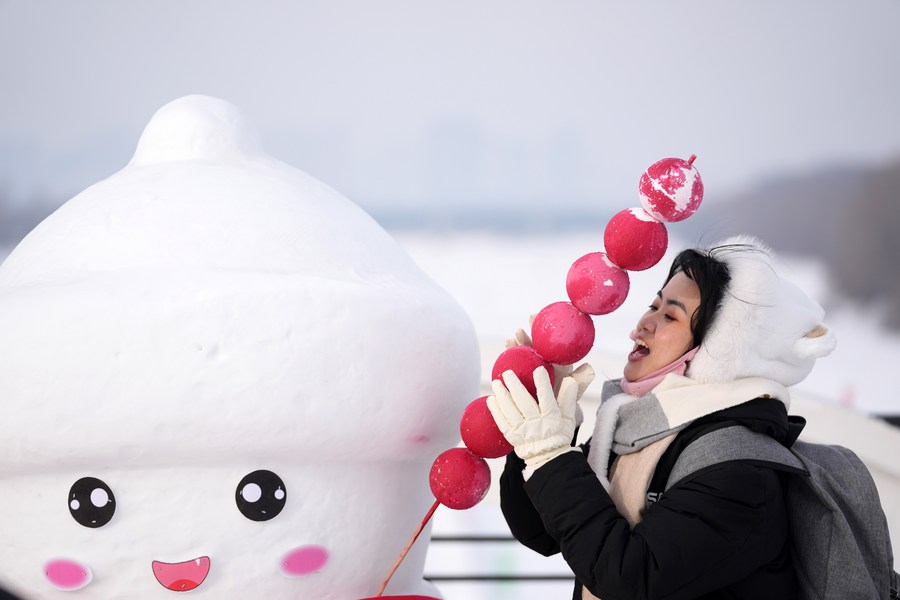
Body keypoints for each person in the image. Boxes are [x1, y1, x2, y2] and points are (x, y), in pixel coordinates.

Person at [488, 235, 837, 600]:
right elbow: (540, 532)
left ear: (714, 354)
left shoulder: (739, 474)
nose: (642, 324)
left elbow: (628, 576)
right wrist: (542, 438)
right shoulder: (643, 433)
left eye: (669, 315)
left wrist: (551, 458)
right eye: (653, 306)